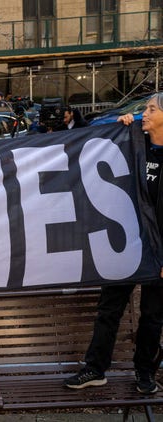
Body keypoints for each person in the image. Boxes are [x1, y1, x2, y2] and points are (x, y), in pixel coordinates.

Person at [63, 92, 163, 395]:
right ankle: (95, 369)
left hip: (158, 252)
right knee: (109, 309)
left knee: (153, 316)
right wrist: (120, 128)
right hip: (128, 244)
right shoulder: (134, 143)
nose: (144, 113)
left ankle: (145, 372)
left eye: (151, 109)